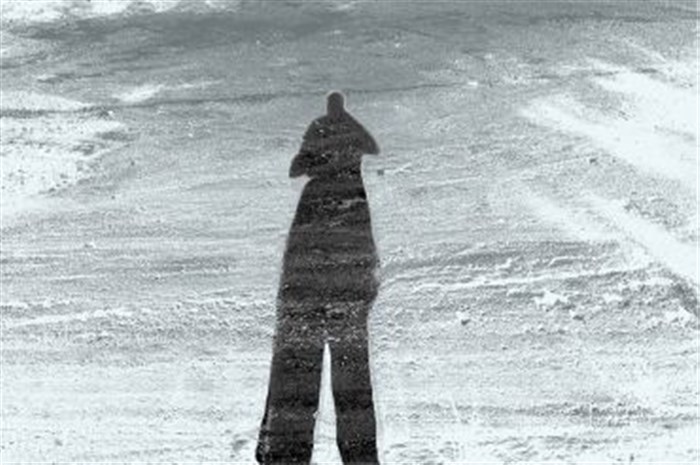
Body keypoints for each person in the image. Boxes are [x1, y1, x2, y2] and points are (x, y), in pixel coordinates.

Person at [256, 91, 381, 464]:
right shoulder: (353, 195)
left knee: (300, 364)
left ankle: (287, 454)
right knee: (349, 374)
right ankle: (357, 458)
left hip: (311, 294)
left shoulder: (319, 195)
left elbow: (299, 264)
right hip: (343, 292)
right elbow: (364, 257)